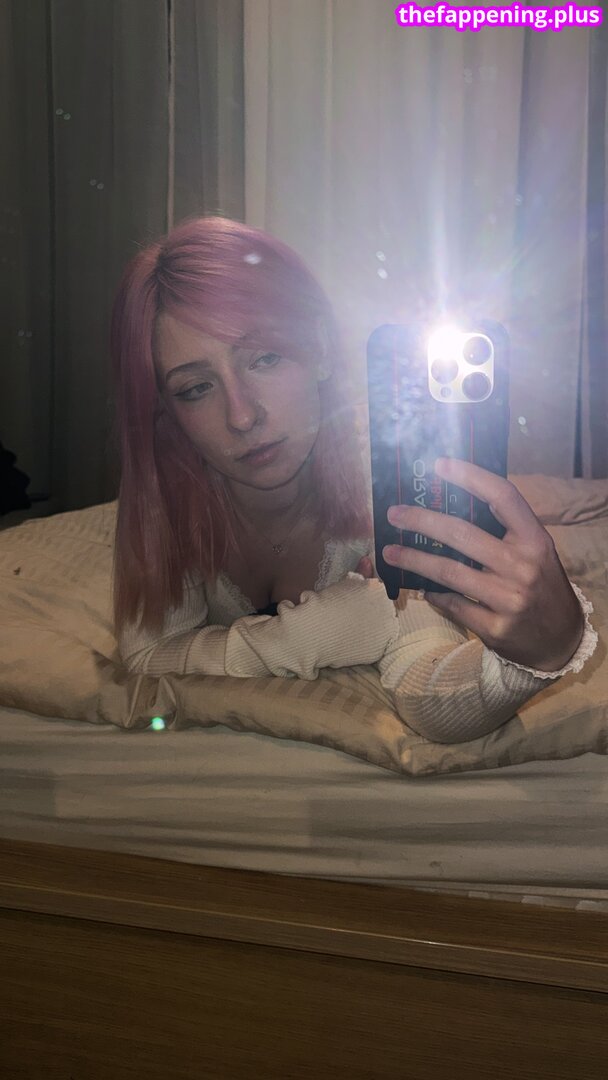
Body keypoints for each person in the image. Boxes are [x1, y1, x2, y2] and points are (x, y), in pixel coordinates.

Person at [110, 215, 598, 744]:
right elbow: (148, 657)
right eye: (195, 388)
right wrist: (317, 632)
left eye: (265, 358)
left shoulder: (389, 479)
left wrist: (532, 658)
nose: (242, 416)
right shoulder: (167, 488)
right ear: (166, 409)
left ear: (319, 348)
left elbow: (429, 694)